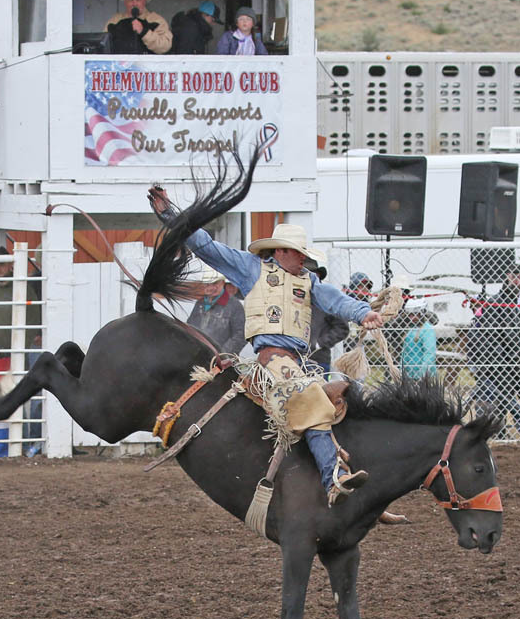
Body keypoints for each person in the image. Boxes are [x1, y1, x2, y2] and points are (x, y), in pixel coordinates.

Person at [149, 191, 383, 506]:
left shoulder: (310, 281)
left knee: (340, 398)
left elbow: (336, 300)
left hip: (299, 365)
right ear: (282, 251)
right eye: (299, 253)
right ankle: (334, 477)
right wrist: (170, 214)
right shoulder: (252, 269)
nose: (304, 259)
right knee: (314, 401)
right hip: (273, 362)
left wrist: (363, 313)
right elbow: (206, 247)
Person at [469, 263, 520, 438]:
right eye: (514, 276)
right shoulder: (495, 302)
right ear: (507, 277)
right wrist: (494, 360)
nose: (517, 281)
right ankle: (499, 434)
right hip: (503, 362)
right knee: (500, 401)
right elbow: (487, 336)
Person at [304, 255, 349, 373]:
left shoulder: (326, 299)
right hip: (293, 357)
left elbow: (342, 327)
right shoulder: (293, 298)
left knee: (319, 389)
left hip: (318, 359)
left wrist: (320, 343)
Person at [187, 264, 246, 354]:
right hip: (198, 356)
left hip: (222, 361)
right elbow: (189, 329)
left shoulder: (234, 305)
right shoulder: (200, 303)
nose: (210, 288)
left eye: (214, 283)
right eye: (207, 284)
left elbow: (241, 335)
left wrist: (222, 354)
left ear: (222, 282)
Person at [105, 0, 172, 55]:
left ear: (144, 1)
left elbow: (165, 47)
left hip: (148, 66)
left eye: (138, 0)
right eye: (131, 0)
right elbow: (103, 44)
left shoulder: (157, 20)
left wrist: (144, 32)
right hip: (120, 66)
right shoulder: (115, 21)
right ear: (125, 2)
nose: (134, 4)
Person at [400, 298, 437, 379]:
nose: (412, 318)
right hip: (408, 374)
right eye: (410, 314)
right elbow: (404, 352)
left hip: (424, 376)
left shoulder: (427, 329)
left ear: (422, 313)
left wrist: (422, 374)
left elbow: (429, 353)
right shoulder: (410, 329)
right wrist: (401, 370)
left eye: (415, 314)